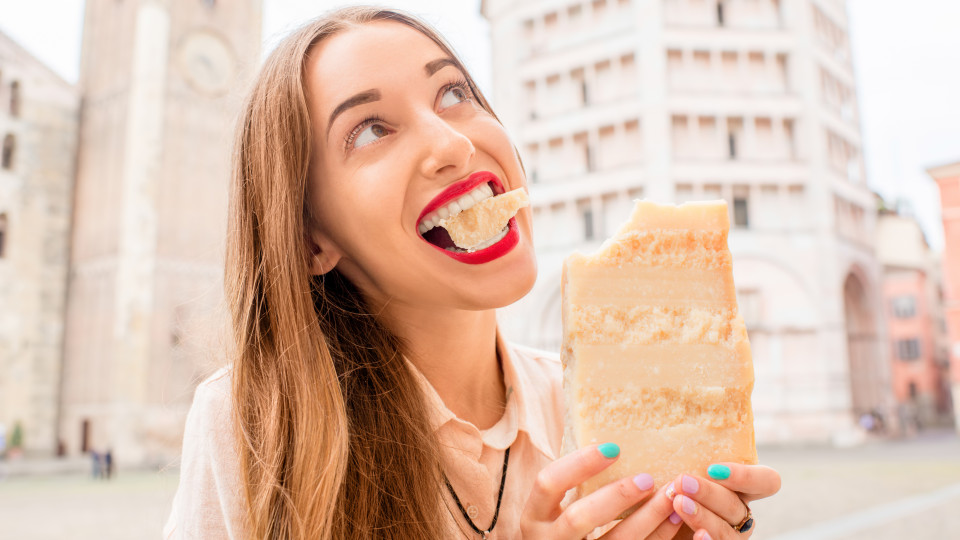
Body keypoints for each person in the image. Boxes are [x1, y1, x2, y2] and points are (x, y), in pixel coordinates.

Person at [163, 7, 780, 539]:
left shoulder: (595, 414)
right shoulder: (253, 422)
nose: (453, 144)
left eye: (453, 93)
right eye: (370, 130)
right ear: (311, 240)